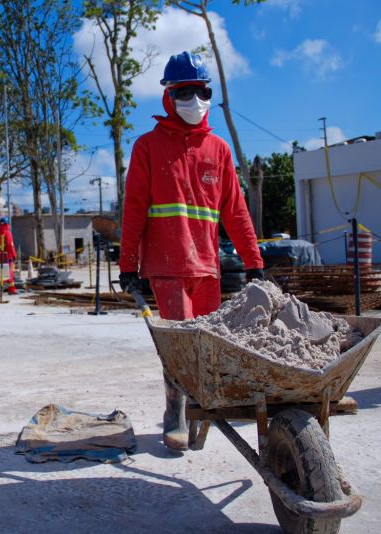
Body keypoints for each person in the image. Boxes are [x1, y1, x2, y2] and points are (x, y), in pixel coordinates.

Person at [117, 51, 265, 451]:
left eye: (201, 91)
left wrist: (254, 262)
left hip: (207, 267)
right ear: (168, 95)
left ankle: (203, 404)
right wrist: (128, 263)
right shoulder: (147, 147)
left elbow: (235, 210)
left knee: (204, 343)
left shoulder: (218, 149)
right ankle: (175, 410)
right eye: (185, 91)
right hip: (166, 265)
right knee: (180, 342)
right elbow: (133, 210)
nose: (194, 99)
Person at [0, 216, 18, 295]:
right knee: (10, 272)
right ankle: (11, 290)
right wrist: (14, 255)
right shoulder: (8, 233)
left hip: (1, 256)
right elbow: (10, 245)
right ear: (7, 224)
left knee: (3, 271)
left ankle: (2, 286)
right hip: (9, 256)